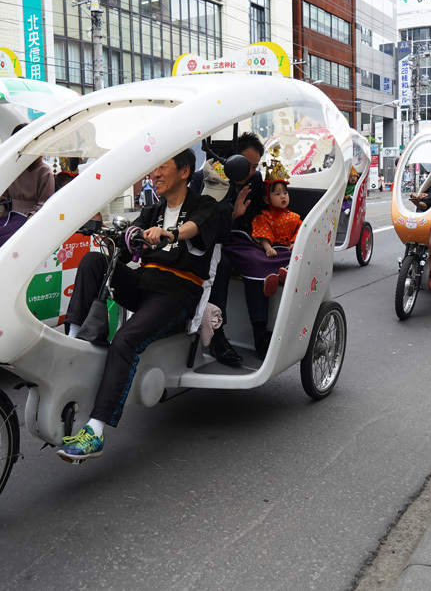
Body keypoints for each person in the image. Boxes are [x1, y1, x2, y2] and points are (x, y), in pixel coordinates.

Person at [59, 149, 223, 460]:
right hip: (144, 284)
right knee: (94, 260)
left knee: (125, 340)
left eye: (163, 167)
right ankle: (72, 341)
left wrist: (170, 234)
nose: (155, 174)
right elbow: (126, 238)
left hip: (177, 293)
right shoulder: (153, 209)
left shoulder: (204, 206)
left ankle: (95, 431)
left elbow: (195, 228)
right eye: (154, 168)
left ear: (185, 172)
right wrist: (107, 231)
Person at [189, 133, 265, 365]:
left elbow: (259, 217)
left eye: (254, 166)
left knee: (257, 262)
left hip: (243, 241)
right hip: (212, 241)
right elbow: (200, 224)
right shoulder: (205, 178)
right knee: (221, 266)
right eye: (245, 165)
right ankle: (217, 335)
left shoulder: (255, 181)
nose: (249, 172)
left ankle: (260, 333)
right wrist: (234, 213)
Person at [221, 164, 301, 356]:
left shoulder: (294, 217)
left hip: (283, 249)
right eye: (277, 193)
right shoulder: (263, 216)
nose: (283, 197)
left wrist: (294, 243)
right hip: (262, 248)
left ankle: (280, 275)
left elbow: (300, 231)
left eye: (285, 193)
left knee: (292, 256)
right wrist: (266, 247)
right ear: (267, 198)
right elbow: (263, 234)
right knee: (258, 260)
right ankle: (273, 277)